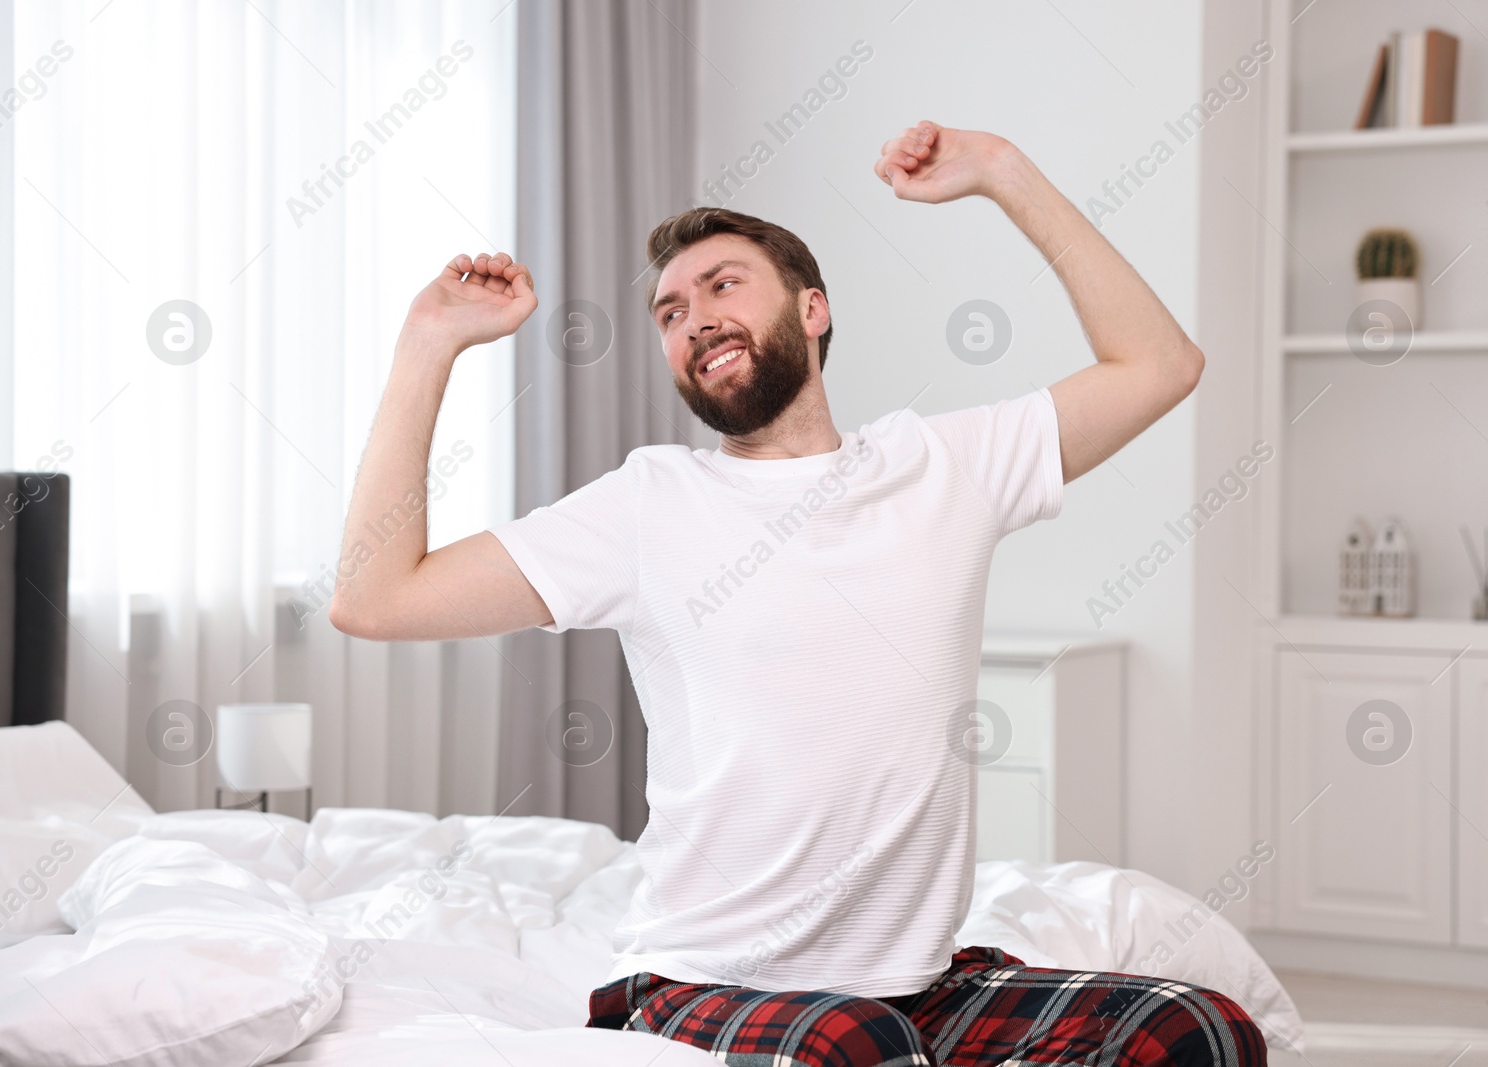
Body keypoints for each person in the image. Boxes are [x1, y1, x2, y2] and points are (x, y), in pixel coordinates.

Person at [329, 120, 1266, 1066]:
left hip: (918, 986)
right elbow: (376, 598)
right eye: (668, 311)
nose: (692, 316)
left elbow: (1161, 364)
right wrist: (428, 344)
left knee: (1200, 1029)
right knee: (856, 1045)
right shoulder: (648, 505)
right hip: (707, 981)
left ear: (813, 309)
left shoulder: (946, 465)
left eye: (721, 284)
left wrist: (1004, 174)